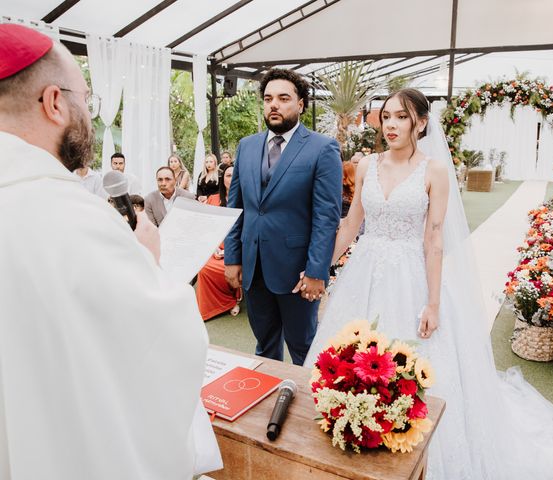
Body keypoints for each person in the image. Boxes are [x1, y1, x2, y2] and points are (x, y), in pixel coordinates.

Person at [303, 88, 553, 479]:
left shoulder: (434, 170)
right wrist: (318, 268)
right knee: (349, 357)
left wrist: (433, 303)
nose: (390, 124)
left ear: (421, 123)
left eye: (401, 117)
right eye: (386, 116)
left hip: (412, 273)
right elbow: (352, 224)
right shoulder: (366, 166)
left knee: (412, 363)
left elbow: (434, 238)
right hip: (366, 271)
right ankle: (355, 432)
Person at [0, 24, 221, 479]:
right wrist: (150, 263)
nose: (88, 112)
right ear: (54, 102)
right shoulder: (72, 217)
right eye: (86, 99)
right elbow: (162, 348)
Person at [224, 68, 342, 366]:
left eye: (283, 98)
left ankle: (310, 407)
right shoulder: (246, 146)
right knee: (264, 345)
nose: (273, 104)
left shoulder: (322, 148)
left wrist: (317, 271)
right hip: (254, 267)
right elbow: (235, 208)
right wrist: (233, 258)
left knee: (304, 348)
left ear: (300, 104)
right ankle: (268, 403)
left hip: (297, 272)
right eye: (267, 98)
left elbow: (326, 216)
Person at [197, 165, 242, 320]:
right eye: (228, 175)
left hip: (239, 247)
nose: (232, 178)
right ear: (223, 180)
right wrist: (214, 247)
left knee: (234, 267)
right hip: (216, 247)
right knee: (205, 269)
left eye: (235, 175)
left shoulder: (248, 199)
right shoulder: (213, 199)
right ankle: (225, 302)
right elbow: (205, 228)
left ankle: (235, 297)